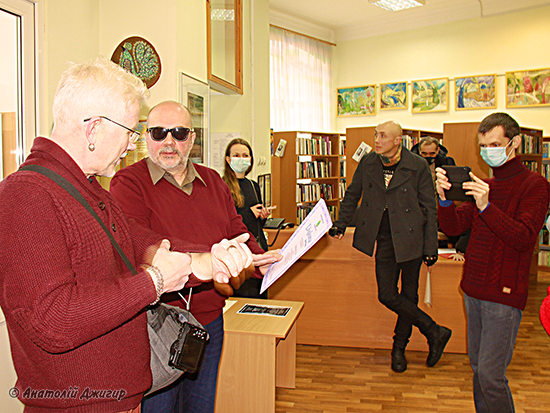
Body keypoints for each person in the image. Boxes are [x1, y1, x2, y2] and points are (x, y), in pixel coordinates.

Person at [0, 58, 253, 412]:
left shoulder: (88, 189)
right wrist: (154, 283)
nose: (132, 144)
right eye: (130, 131)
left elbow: (140, 243)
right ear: (94, 130)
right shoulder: (26, 195)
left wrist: (209, 259)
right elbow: (52, 320)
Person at [110, 101, 280, 413]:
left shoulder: (214, 181)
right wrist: (207, 258)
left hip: (209, 322)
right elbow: (144, 245)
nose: (169, 142)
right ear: (147, 137)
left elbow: (235, 229)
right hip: (158, 327)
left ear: (192, 138)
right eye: (159, 133)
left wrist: (259, 259)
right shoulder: (128, 184)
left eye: (178, 133)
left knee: (201, 408)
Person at [436, 112, 550, 413]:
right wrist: (445, 200)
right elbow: (455, 226)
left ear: (514, 143)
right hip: (473, 288)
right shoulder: (485, 184)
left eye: (495, 144)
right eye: (483, 145)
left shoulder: (535, 185)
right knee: (478, 368)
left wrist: (487, 206)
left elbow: (524, 237)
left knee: (491, 375)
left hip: (504, 293)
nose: (488, 151)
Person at [329, 120, 452, 374]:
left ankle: (399, 349)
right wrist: (340, 223)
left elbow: (429, 208)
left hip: (411, 239)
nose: (377, 140)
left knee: (409, 296)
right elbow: (353, 194)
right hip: (384, 238)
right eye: (375, 135)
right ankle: (434, 330)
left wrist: (431, 246)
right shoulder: (369, 162)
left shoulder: (417, 165)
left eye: (383, 136)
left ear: (398, 140)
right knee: (386, 294)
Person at [223, 137, 271, 298]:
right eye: (236, 155)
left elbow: (257, 222)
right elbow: (226, 223)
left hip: (258, 248)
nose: (241, 159)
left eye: (245, 155)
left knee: (261, 298)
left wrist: (262, 215)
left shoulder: (253, 185)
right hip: (238, 255)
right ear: (228, 159)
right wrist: (249, 213)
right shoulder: (222, 186)